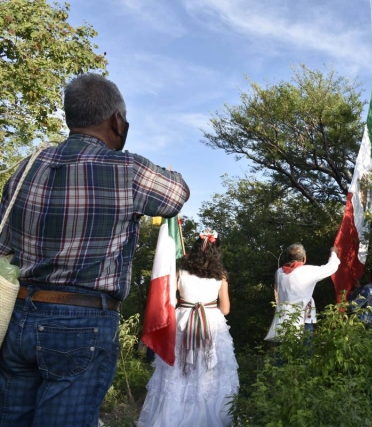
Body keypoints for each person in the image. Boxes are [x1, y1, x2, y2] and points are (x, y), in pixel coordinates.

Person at [0, 73, 190, 427]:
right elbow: (177, 194)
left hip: (18, 316)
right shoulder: (127, 169)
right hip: (81, 322)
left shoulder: (26, 169)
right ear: (117, 121)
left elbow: (4, 246)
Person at [138, 231, 239, 427]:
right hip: (211, 323)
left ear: (193, 250)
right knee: (208, 369)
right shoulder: (221, 276)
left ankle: (171, 417)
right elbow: (225, 309)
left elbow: (169, 299)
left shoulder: (181, 271)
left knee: (179, 369)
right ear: (217, 253)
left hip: (183, 320)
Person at [265, 244, 340, 342]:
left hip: (284, 319)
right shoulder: (308, 271)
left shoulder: (279, 273)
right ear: (304, 258)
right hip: (304, 320)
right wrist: (334, 252)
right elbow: (331, 267)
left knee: (283, 352)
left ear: (288, 258)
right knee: (305, 352)